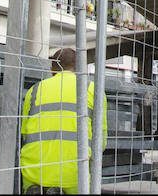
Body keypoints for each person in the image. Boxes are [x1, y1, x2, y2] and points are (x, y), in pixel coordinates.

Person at [20, 48, 107, 194]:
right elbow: (101, 142)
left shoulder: (34, 91)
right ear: (82, 70)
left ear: (52, 70)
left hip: (33, 174)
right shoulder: (93, 90)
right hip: (75, 177)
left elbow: (24, 135)